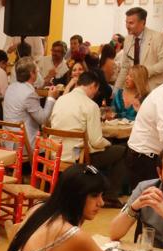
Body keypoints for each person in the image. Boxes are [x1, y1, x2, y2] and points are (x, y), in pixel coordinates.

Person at [5, 166, 122, 251]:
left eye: (102, 195)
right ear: (75, 196)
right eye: (94, 196)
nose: (101, 203)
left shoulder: (38, 208)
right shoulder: (72, 235)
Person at [49, 74, 128, 205]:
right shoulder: (90, 105)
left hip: (56, 153)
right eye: (97, 90)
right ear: (93, 86)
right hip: (77, 156)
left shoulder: (61, 100)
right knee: (121, 150)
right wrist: (109, 143)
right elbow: (96, 141)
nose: (96, 93)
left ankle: (96, 190)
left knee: (106, 151)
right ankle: (110, 195)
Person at [4, 58, 60, 155]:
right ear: (32, 74)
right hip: (24, 144)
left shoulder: (10, 87)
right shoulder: (29, 94)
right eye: (37, 71)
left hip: (8, 140)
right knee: (56, 147)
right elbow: (43, 119)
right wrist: (51, 98)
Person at [116, 7, 163, 95]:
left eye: (131, 23)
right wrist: (116, 89)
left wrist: (143, 72)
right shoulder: (127, 40)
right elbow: (125, 67)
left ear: (142, 22)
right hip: (133, 90)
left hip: (153, 89)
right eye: (126, 23)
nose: (127, 26)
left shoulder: (158, 37)